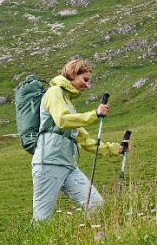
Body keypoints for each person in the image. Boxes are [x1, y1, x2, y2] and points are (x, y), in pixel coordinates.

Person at [32, 58, 127, 221]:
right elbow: (62, 120)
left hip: (69, 166)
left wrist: (116, 148)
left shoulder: (68, 104)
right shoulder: (54, 92)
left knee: (97, 206)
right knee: (42, 219)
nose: (87, 85)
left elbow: (84, 139)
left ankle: (88, 238)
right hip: (48, 164)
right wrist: (94, 114)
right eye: (85, 79)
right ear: (73, 74)